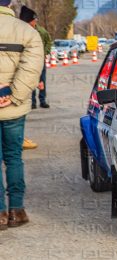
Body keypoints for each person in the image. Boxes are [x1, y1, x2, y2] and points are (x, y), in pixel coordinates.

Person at [0, 0, 44, 230]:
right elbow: (32, 68)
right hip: (14, 107)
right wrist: (12, 95)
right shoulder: (27, 32)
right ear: (10, 4)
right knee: (14, 158)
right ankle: (17, 210)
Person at [20, 5, 51, 110]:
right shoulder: (23, 31)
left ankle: (42, 101)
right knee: (32, 80)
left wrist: (44, 53)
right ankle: (32, 102)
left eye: (34, 20)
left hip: (40, 61)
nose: (33, 22)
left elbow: (48, 42)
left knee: (42, 81)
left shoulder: (41, 31)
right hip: (28, 61)